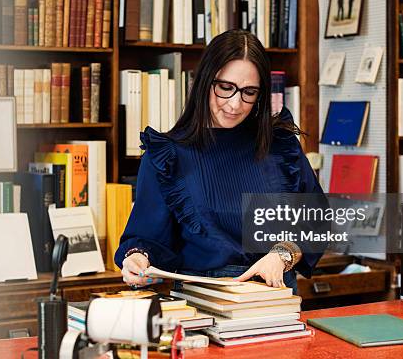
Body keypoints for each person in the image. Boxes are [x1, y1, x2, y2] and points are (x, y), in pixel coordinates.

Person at [115, 29, 327, 292]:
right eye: (225, 88)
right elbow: (146, 238)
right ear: (204, 81)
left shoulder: (280, 147)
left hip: (275, 298)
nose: (235, 104)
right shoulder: (168, 155)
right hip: (203, 302)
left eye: (249, 92)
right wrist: (137, 258)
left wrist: (281, 255)